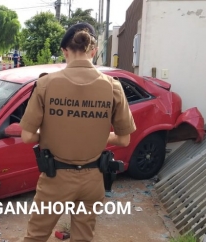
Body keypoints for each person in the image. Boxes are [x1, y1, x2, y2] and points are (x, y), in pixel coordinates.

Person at [19, 22, 136, 242]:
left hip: (55, 178)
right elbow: (123, 139)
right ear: (93, 51)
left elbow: (26, 136)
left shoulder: (45, 84)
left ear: (65, 51)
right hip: (93, 179)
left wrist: (54, 133)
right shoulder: (113, 86)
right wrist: (98, 136)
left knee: (35, 237)